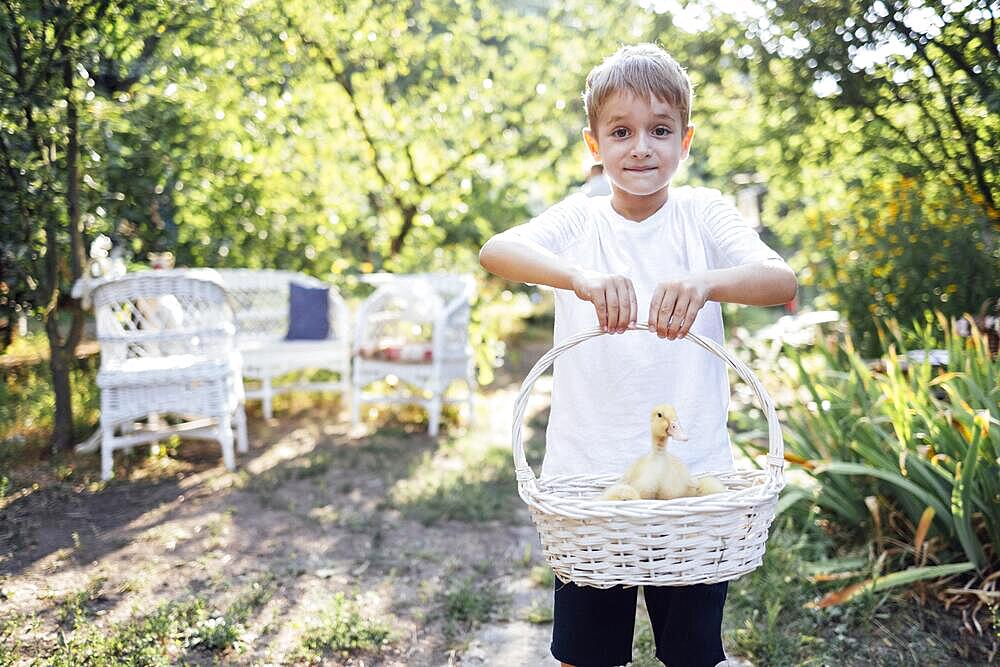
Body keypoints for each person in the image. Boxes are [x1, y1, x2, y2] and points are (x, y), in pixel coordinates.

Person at [479, 43, 797, 667]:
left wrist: (707, 282)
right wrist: (579, 278)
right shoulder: (582, 220)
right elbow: (496, 251)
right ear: (594, 145)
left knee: (693, 654)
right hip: (589, 479)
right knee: (589, 653)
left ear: (686, 140)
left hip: (690, 475)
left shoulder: (702, 213)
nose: (641, 148)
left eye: (659, 130)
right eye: (620, 132)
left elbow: (779, 282)